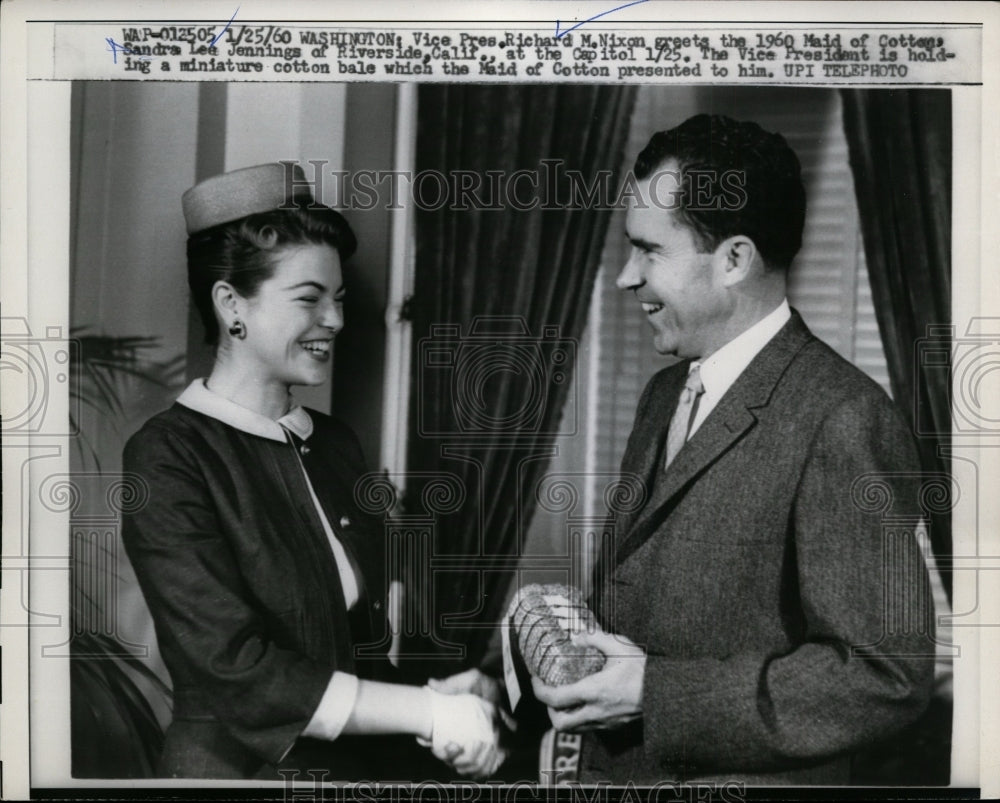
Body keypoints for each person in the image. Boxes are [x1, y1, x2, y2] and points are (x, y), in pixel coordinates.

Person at [530, 115, 937, 784]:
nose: (625, 277)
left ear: (735, 260)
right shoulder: (664, 393)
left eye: (648, 251)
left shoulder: (844, 416)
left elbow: (882, 675)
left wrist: (656, 693)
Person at [121, 163, 506, 780]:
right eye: (309, 298)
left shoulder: (334, 446)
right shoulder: (169, 455)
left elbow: (351, 651)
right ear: (231, 305)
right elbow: (235, 669)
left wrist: (443, 695)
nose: (336, 320)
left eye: (339, 299)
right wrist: (428, 712)